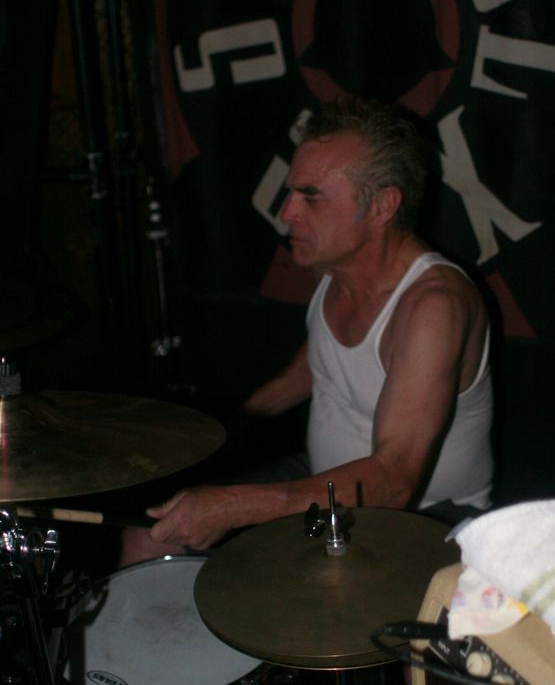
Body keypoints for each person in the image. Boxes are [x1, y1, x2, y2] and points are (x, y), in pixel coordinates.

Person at [120, 97, 493, 565]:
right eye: (291, 192)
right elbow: (310, 370)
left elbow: (394, 479)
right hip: (326, 480)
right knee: (149, 537)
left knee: (289, 591)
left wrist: (235, 505)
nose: (288, 212)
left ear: (383, 206)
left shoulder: (433, 306)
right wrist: (214, 440)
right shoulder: (334, 268)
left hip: (427, 515)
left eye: (311, 197)